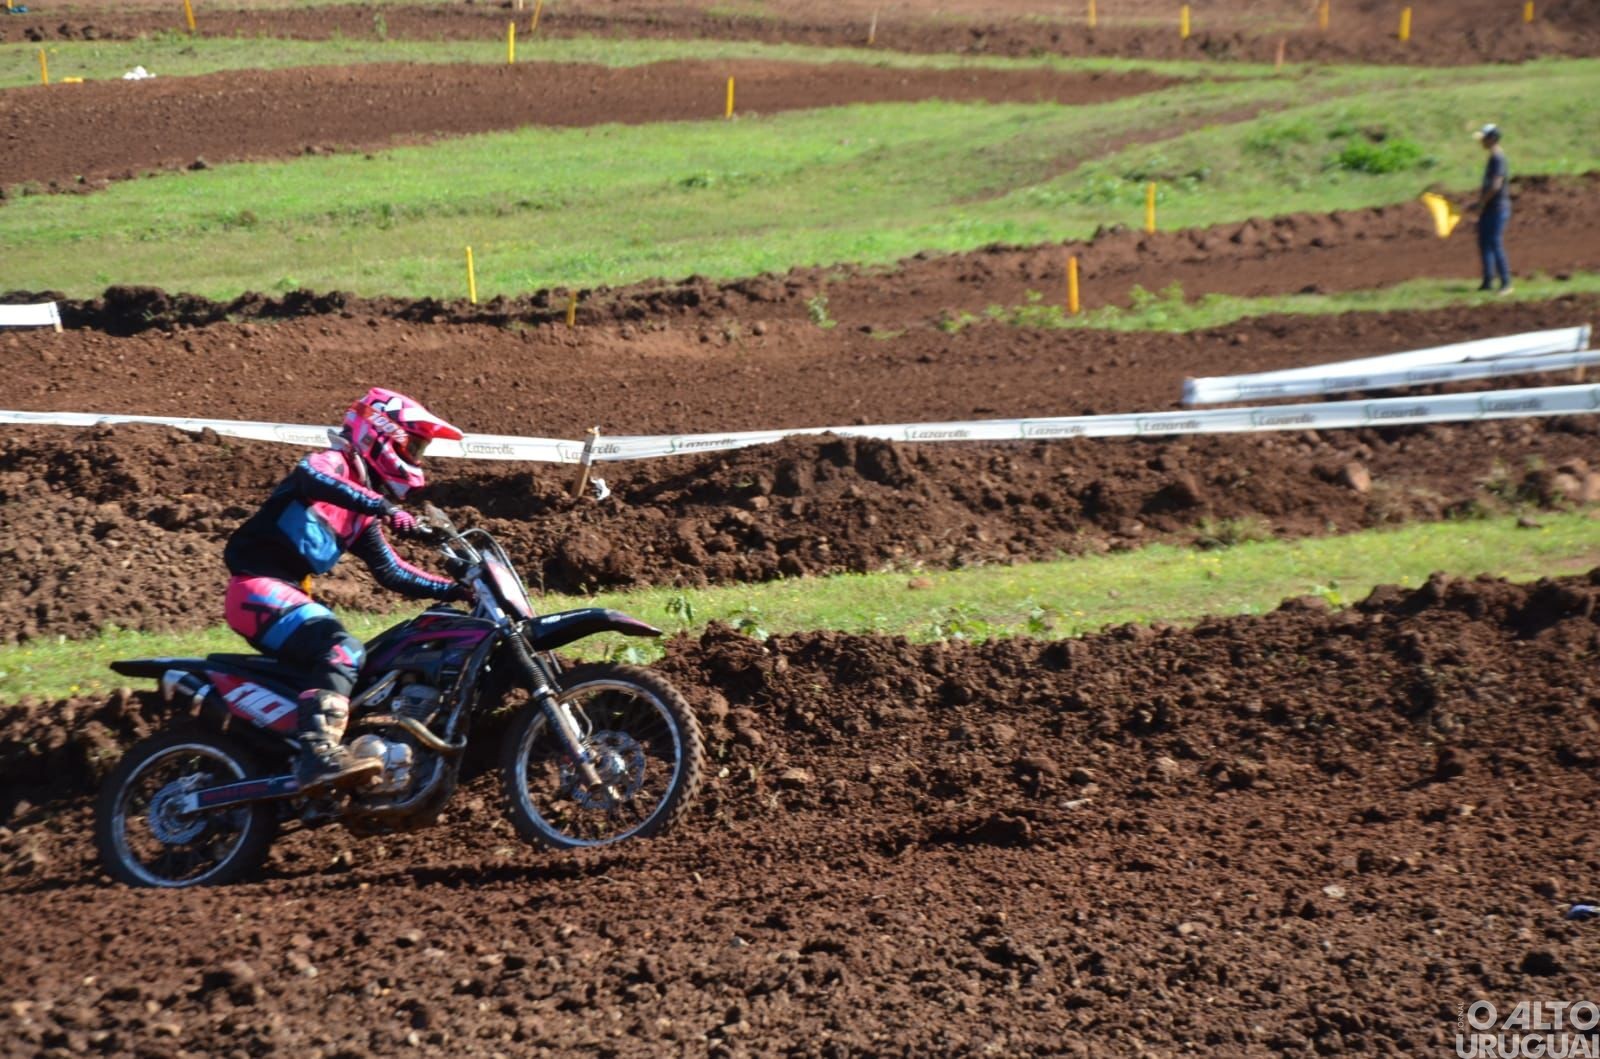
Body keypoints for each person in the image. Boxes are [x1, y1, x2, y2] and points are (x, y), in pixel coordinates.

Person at [222, 388, 470, 790]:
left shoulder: (359, 514)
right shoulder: (333, 464)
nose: (417, 457)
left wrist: (458, 590)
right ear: (381, 433)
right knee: (342, 650)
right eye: (415, 445)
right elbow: (311, 477)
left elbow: (392, 571)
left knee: (377, 663)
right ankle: (318, 756)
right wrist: (385, 508)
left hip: (284, 595)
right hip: (256, 588)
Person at [1474, 123, 1512, 295]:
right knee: (1484, 242)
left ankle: (1506, 283)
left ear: (1492, 139)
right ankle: (1488, 280)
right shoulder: (1493, 157)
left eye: (1484, 138)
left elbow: (1495, 185)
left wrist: (1482, 202)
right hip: (1490, 207)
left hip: (1496, 207)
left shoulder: (1498, 158)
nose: (1481, 142)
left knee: (1495, 243)